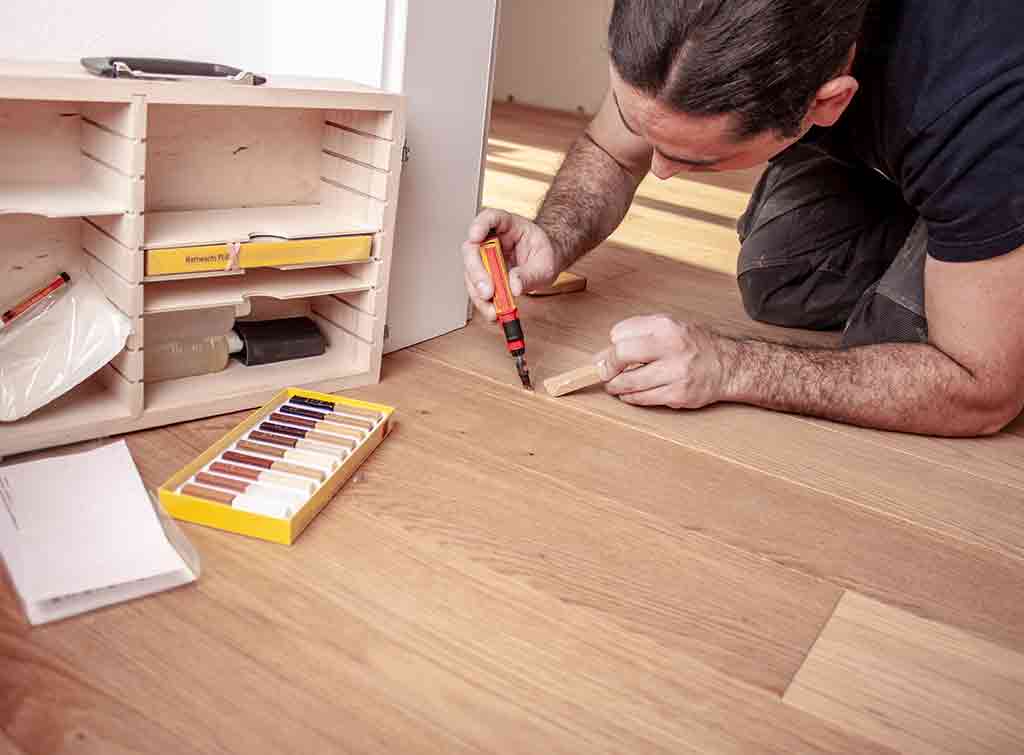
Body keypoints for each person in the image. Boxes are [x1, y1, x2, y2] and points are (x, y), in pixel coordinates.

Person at [461, 0, 1024, 437]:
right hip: (934, 148)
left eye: (692, 158)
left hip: (984, 141)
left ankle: (975, 227)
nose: (656, 171)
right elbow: (613, 151)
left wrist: (733, 368)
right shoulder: (690, 29)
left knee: (891, 336)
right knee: (780, 275)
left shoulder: (982, 102)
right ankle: (962, 223)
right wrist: (554, 237)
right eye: (646, 130)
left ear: (827, 103)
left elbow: (982, 389)